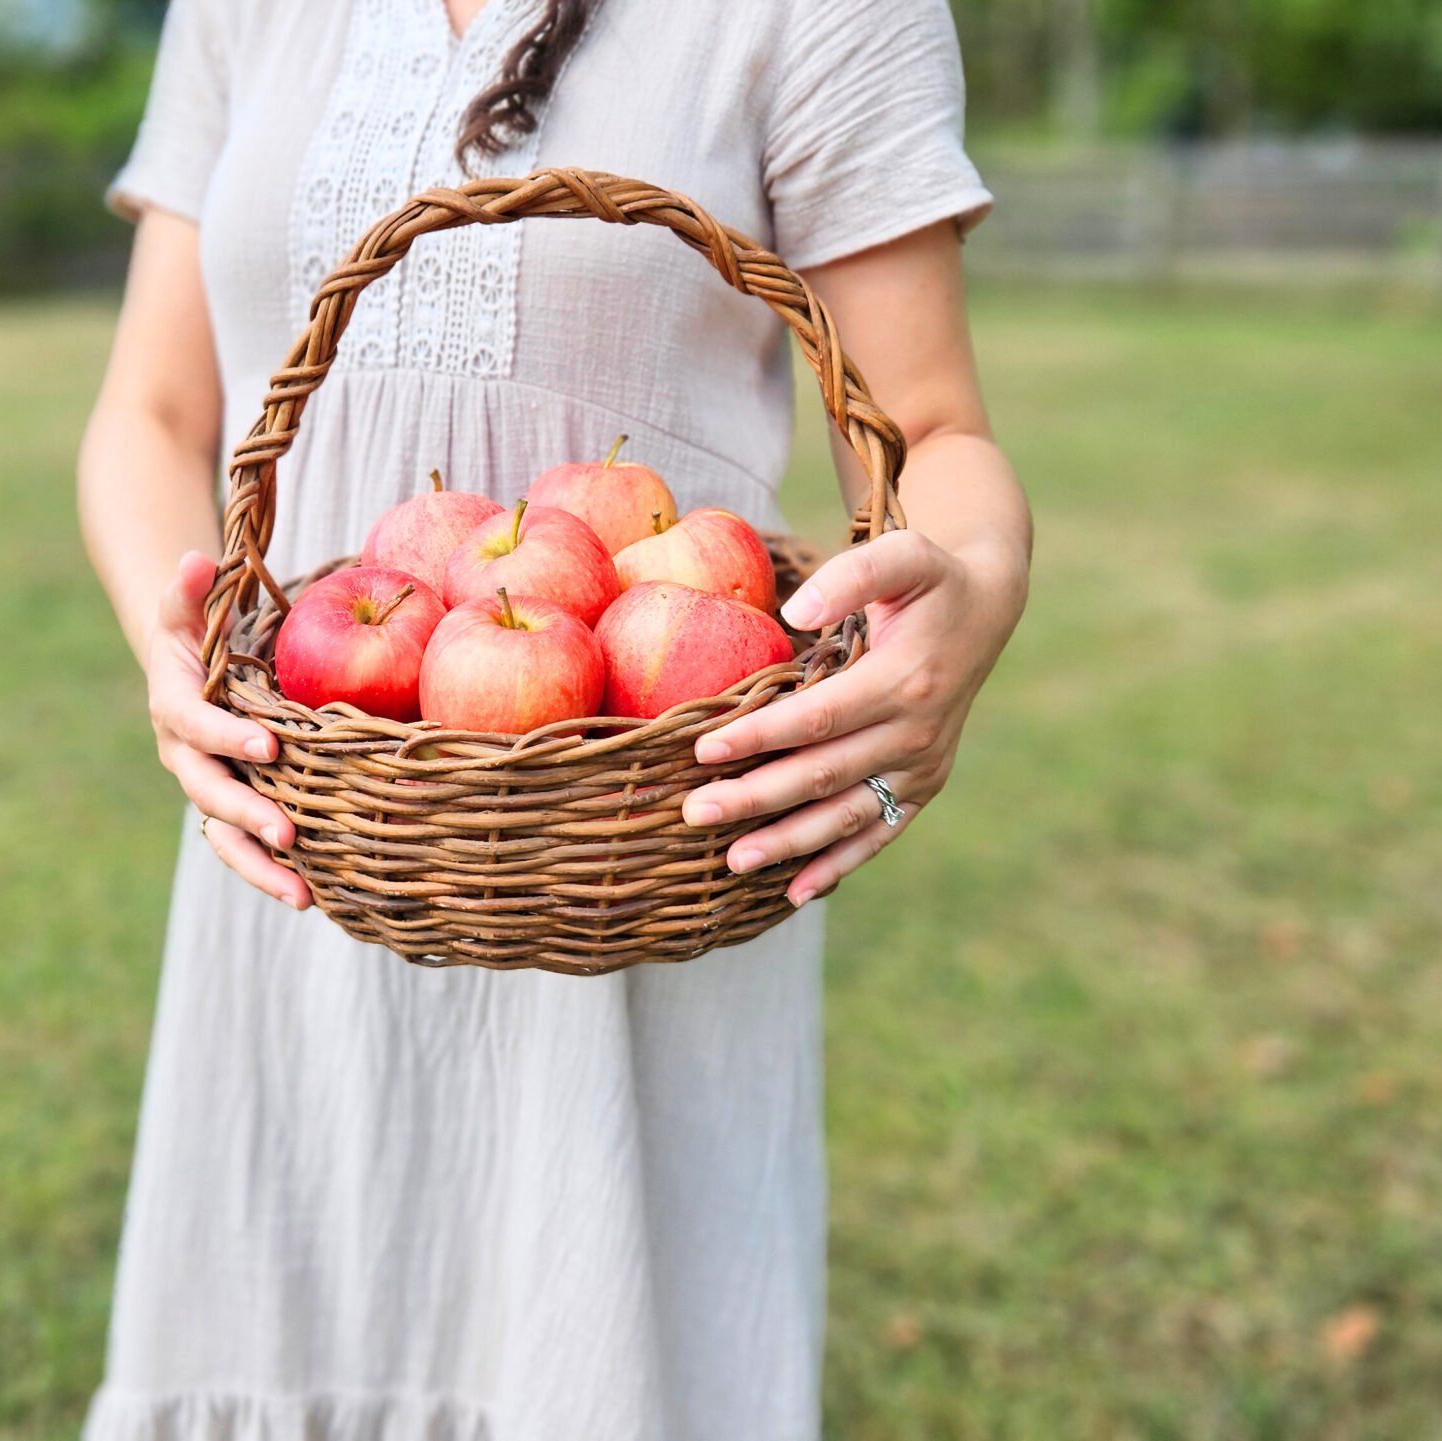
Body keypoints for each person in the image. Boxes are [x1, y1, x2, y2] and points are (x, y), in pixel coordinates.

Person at [75, 0, 1030, 1434]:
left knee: (597, 1340)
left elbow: (932, 431)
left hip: (644, 843)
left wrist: (976, 591)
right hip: (307, 818)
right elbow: (151, 409)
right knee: (296, 1293)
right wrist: (179, 643)